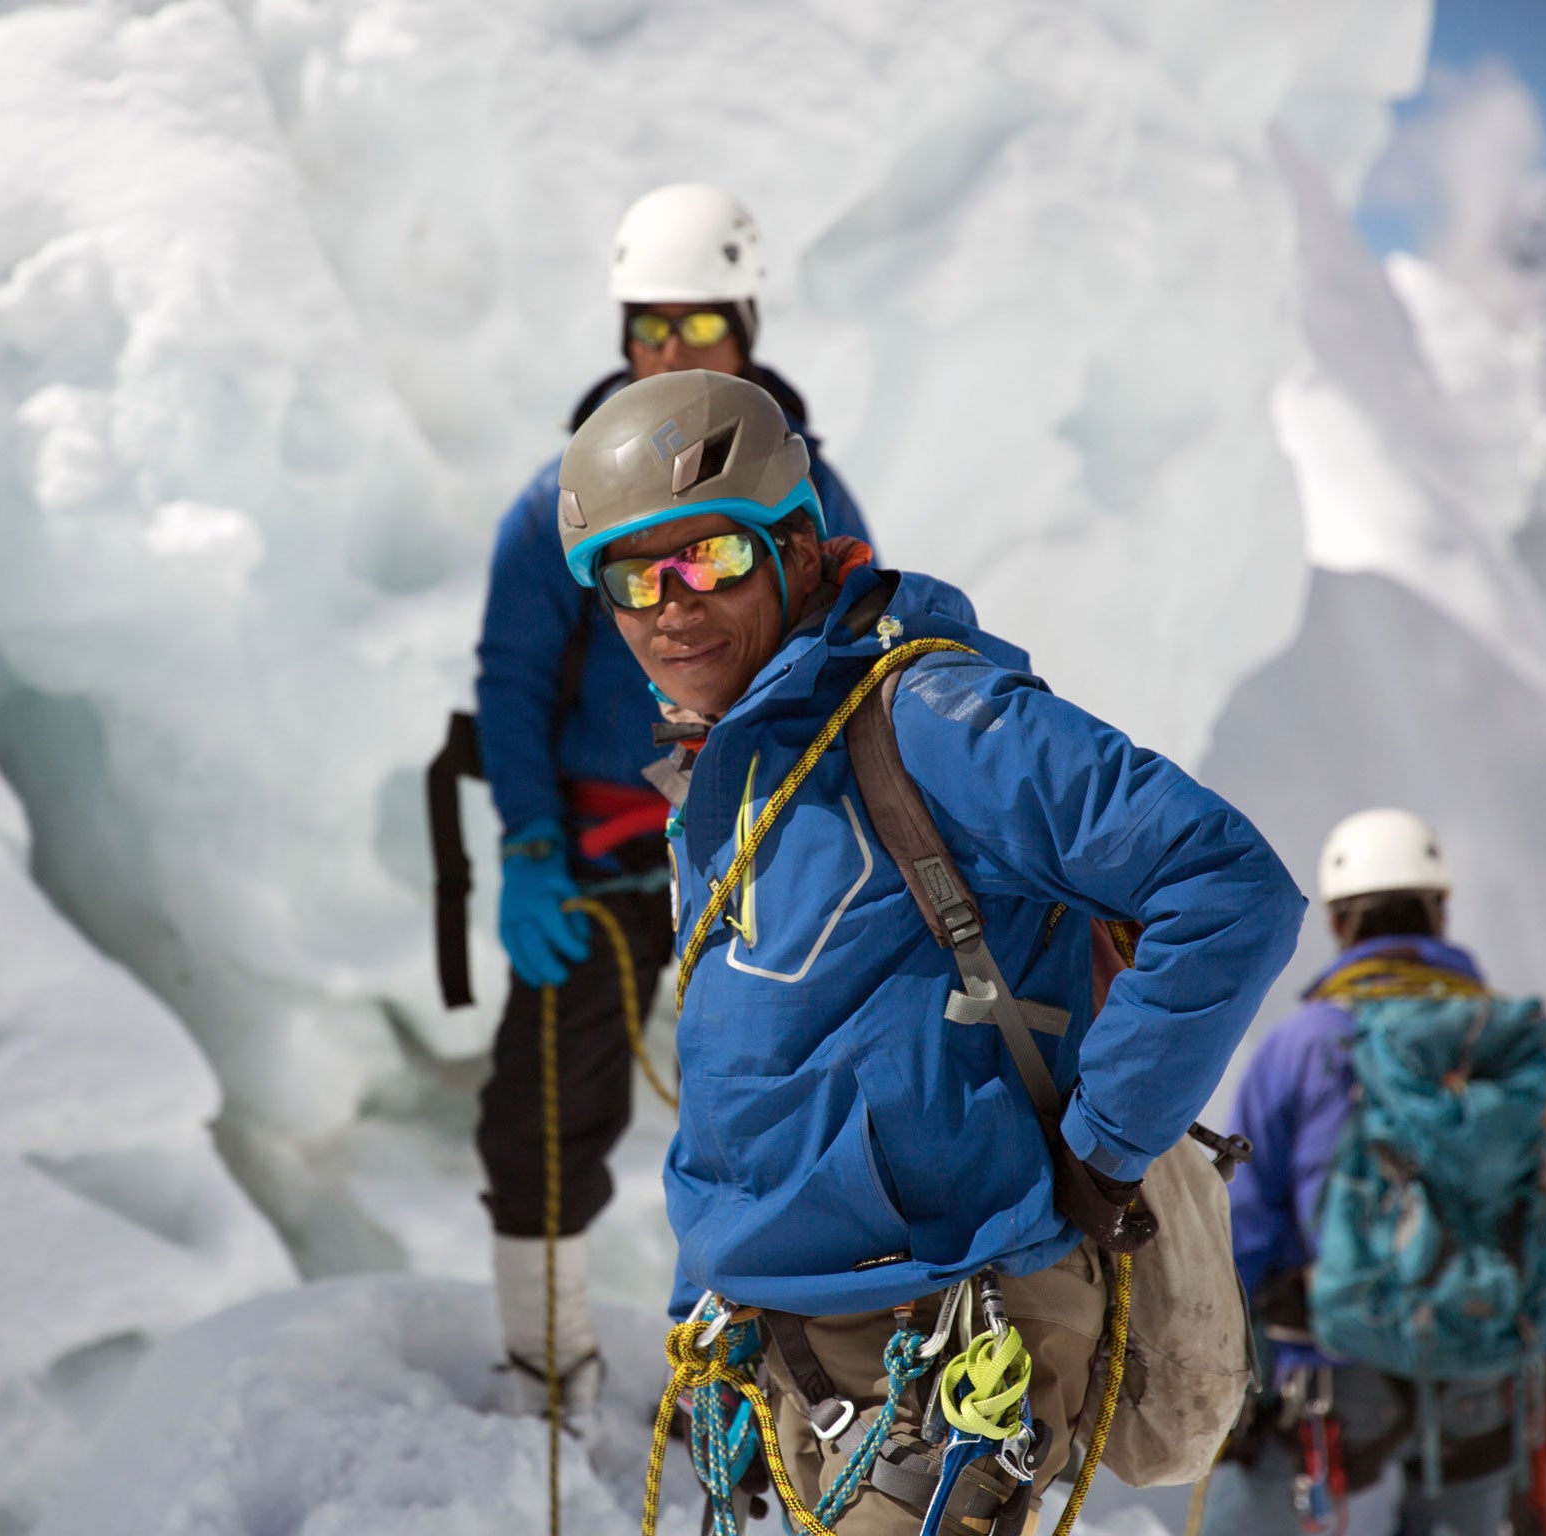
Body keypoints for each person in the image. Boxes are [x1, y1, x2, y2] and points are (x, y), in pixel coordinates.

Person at [554, 367, 1305, 1533]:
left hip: (953, 1339)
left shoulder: (929, 717)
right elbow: (749, 1069)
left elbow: (1224, 885)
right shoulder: (719, 775)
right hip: (787, 1353)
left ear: (797, 546)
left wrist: (1104, 1151)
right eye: (632, 576)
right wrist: (708, 1296)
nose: (669, 606)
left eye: (708, 558)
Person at [473, 183, 871, 1422]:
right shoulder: (563, 497)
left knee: (765, 1125)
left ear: (746, 323)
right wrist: (531, 846)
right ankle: (552, 1374)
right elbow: (515, 675)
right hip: (597, 857)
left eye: (697, 329)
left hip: (754, 850)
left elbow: (854, 653)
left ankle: (748, 1387)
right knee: (539, 1120)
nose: (667, 354)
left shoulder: (804, 493)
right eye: (648, 329)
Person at [1207, 808, 1546, 1536]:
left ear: (1337, 925)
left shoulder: (1300, 1046)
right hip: (1484, 1361)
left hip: (1333, 1363)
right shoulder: (1505, 1045)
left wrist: (1238, 1369)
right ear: (1440, 911)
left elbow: (1249, 1222)